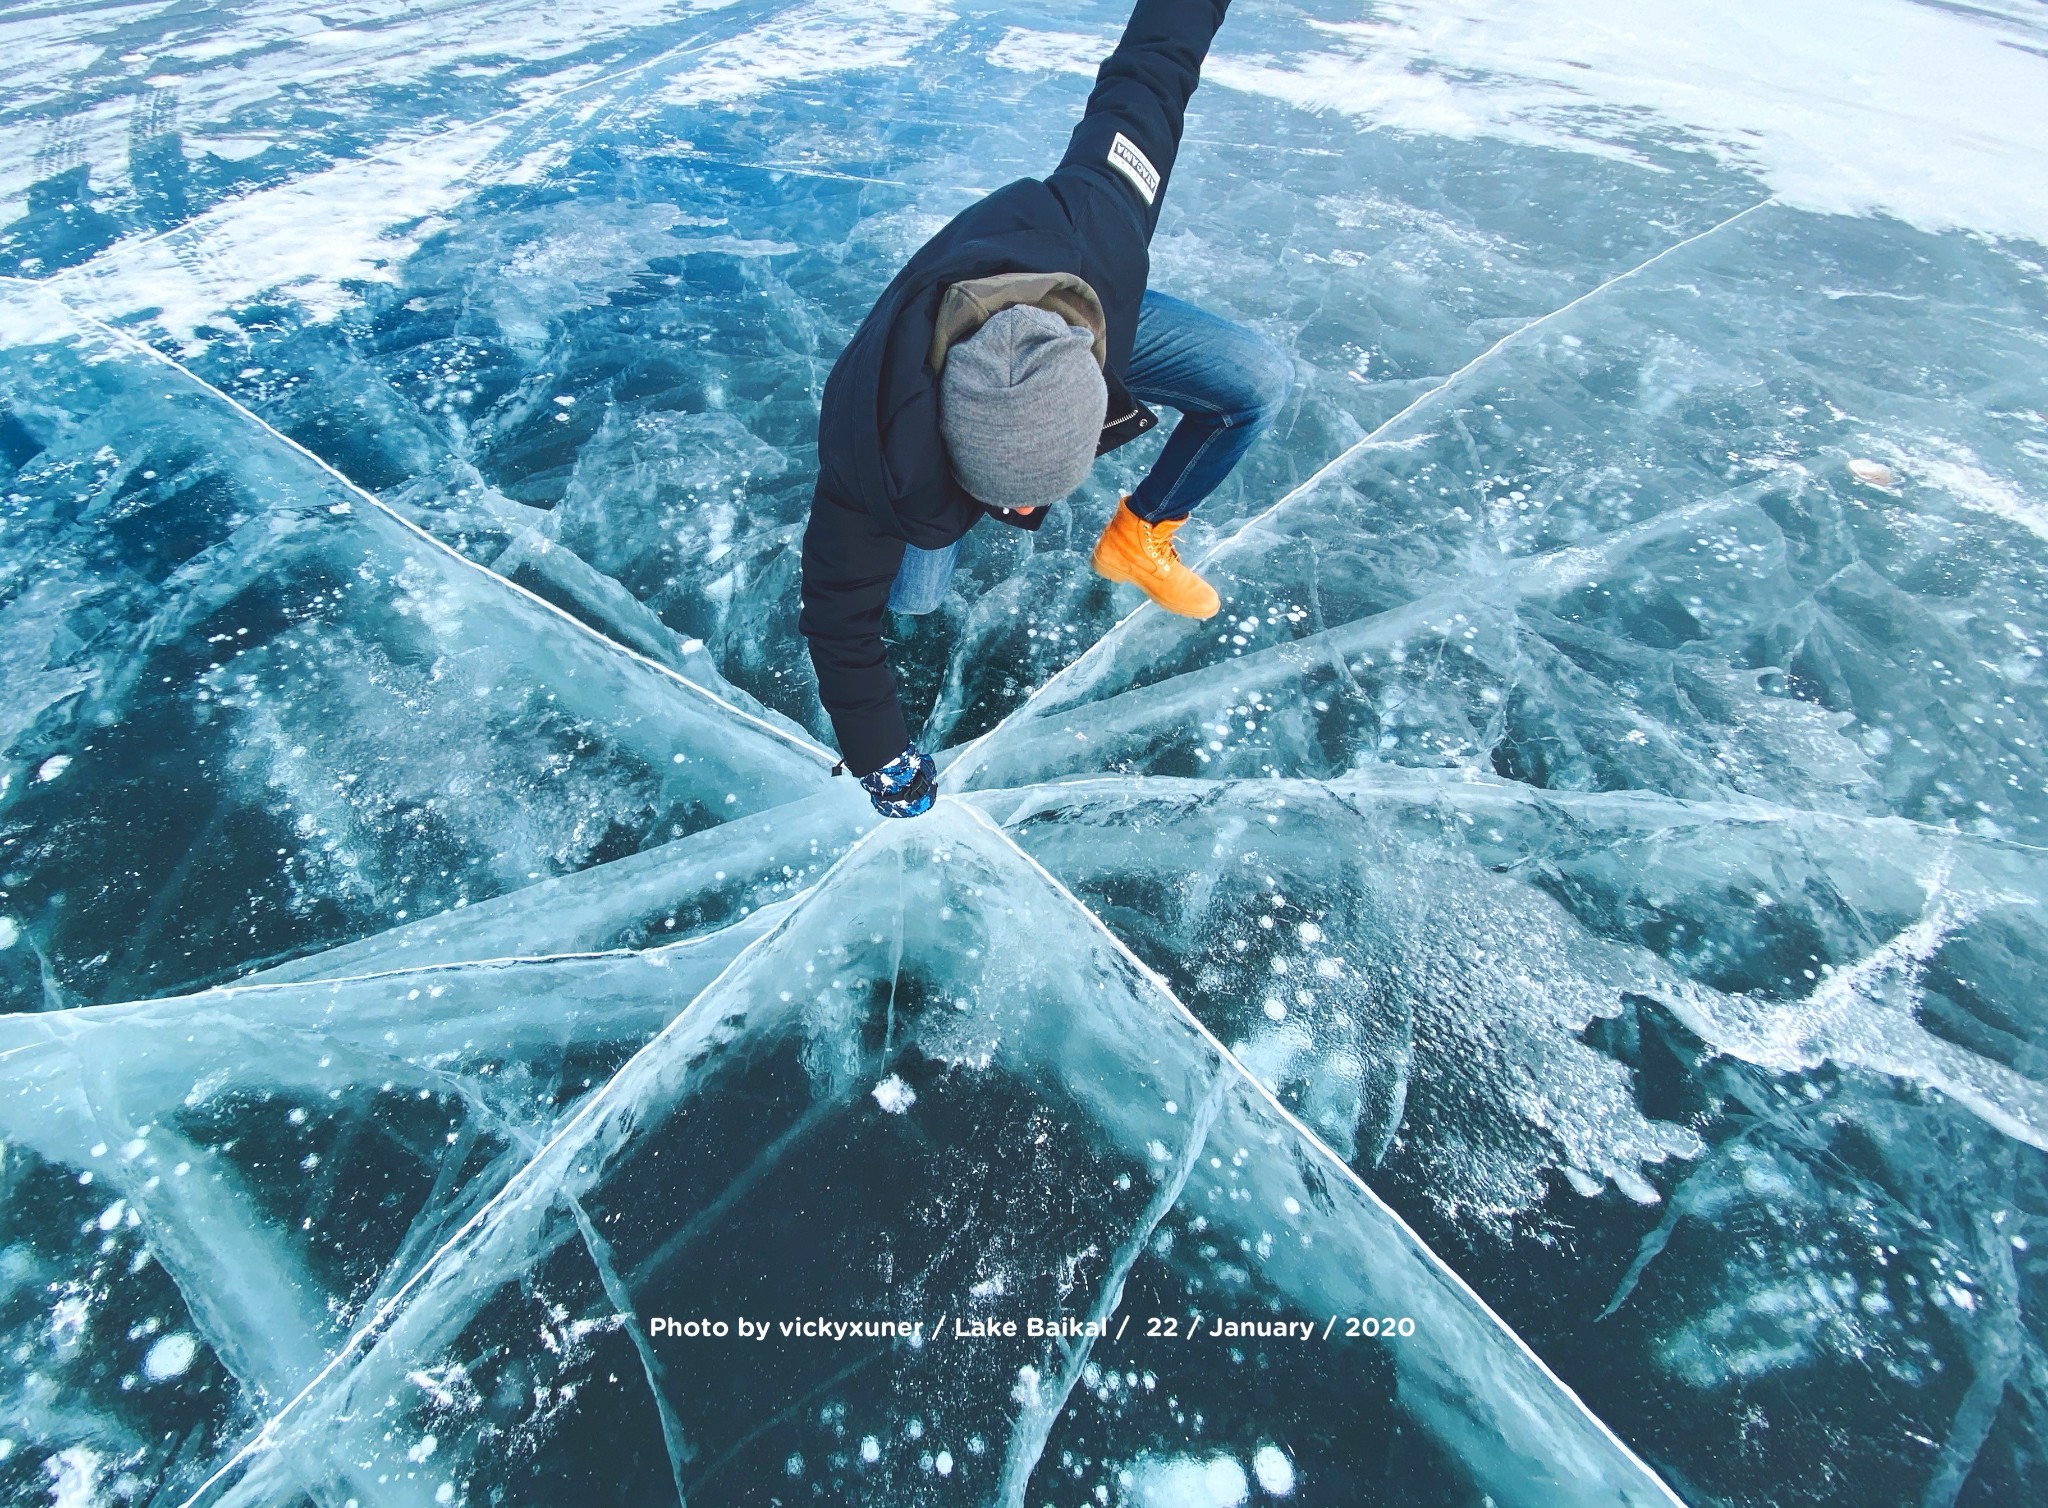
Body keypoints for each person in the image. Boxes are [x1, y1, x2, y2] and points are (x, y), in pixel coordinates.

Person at [799, 0, 1290, 818]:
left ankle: (1140, 537)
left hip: (1077, 307)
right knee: (912, 595)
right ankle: (921, 593)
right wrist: (881, 758)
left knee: (1255, 382)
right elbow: (834, 618)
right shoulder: (873, 460)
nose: (1027, 514)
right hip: (924, 407)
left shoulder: (1102, 216)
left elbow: (1151, 73)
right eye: (1012, 499)